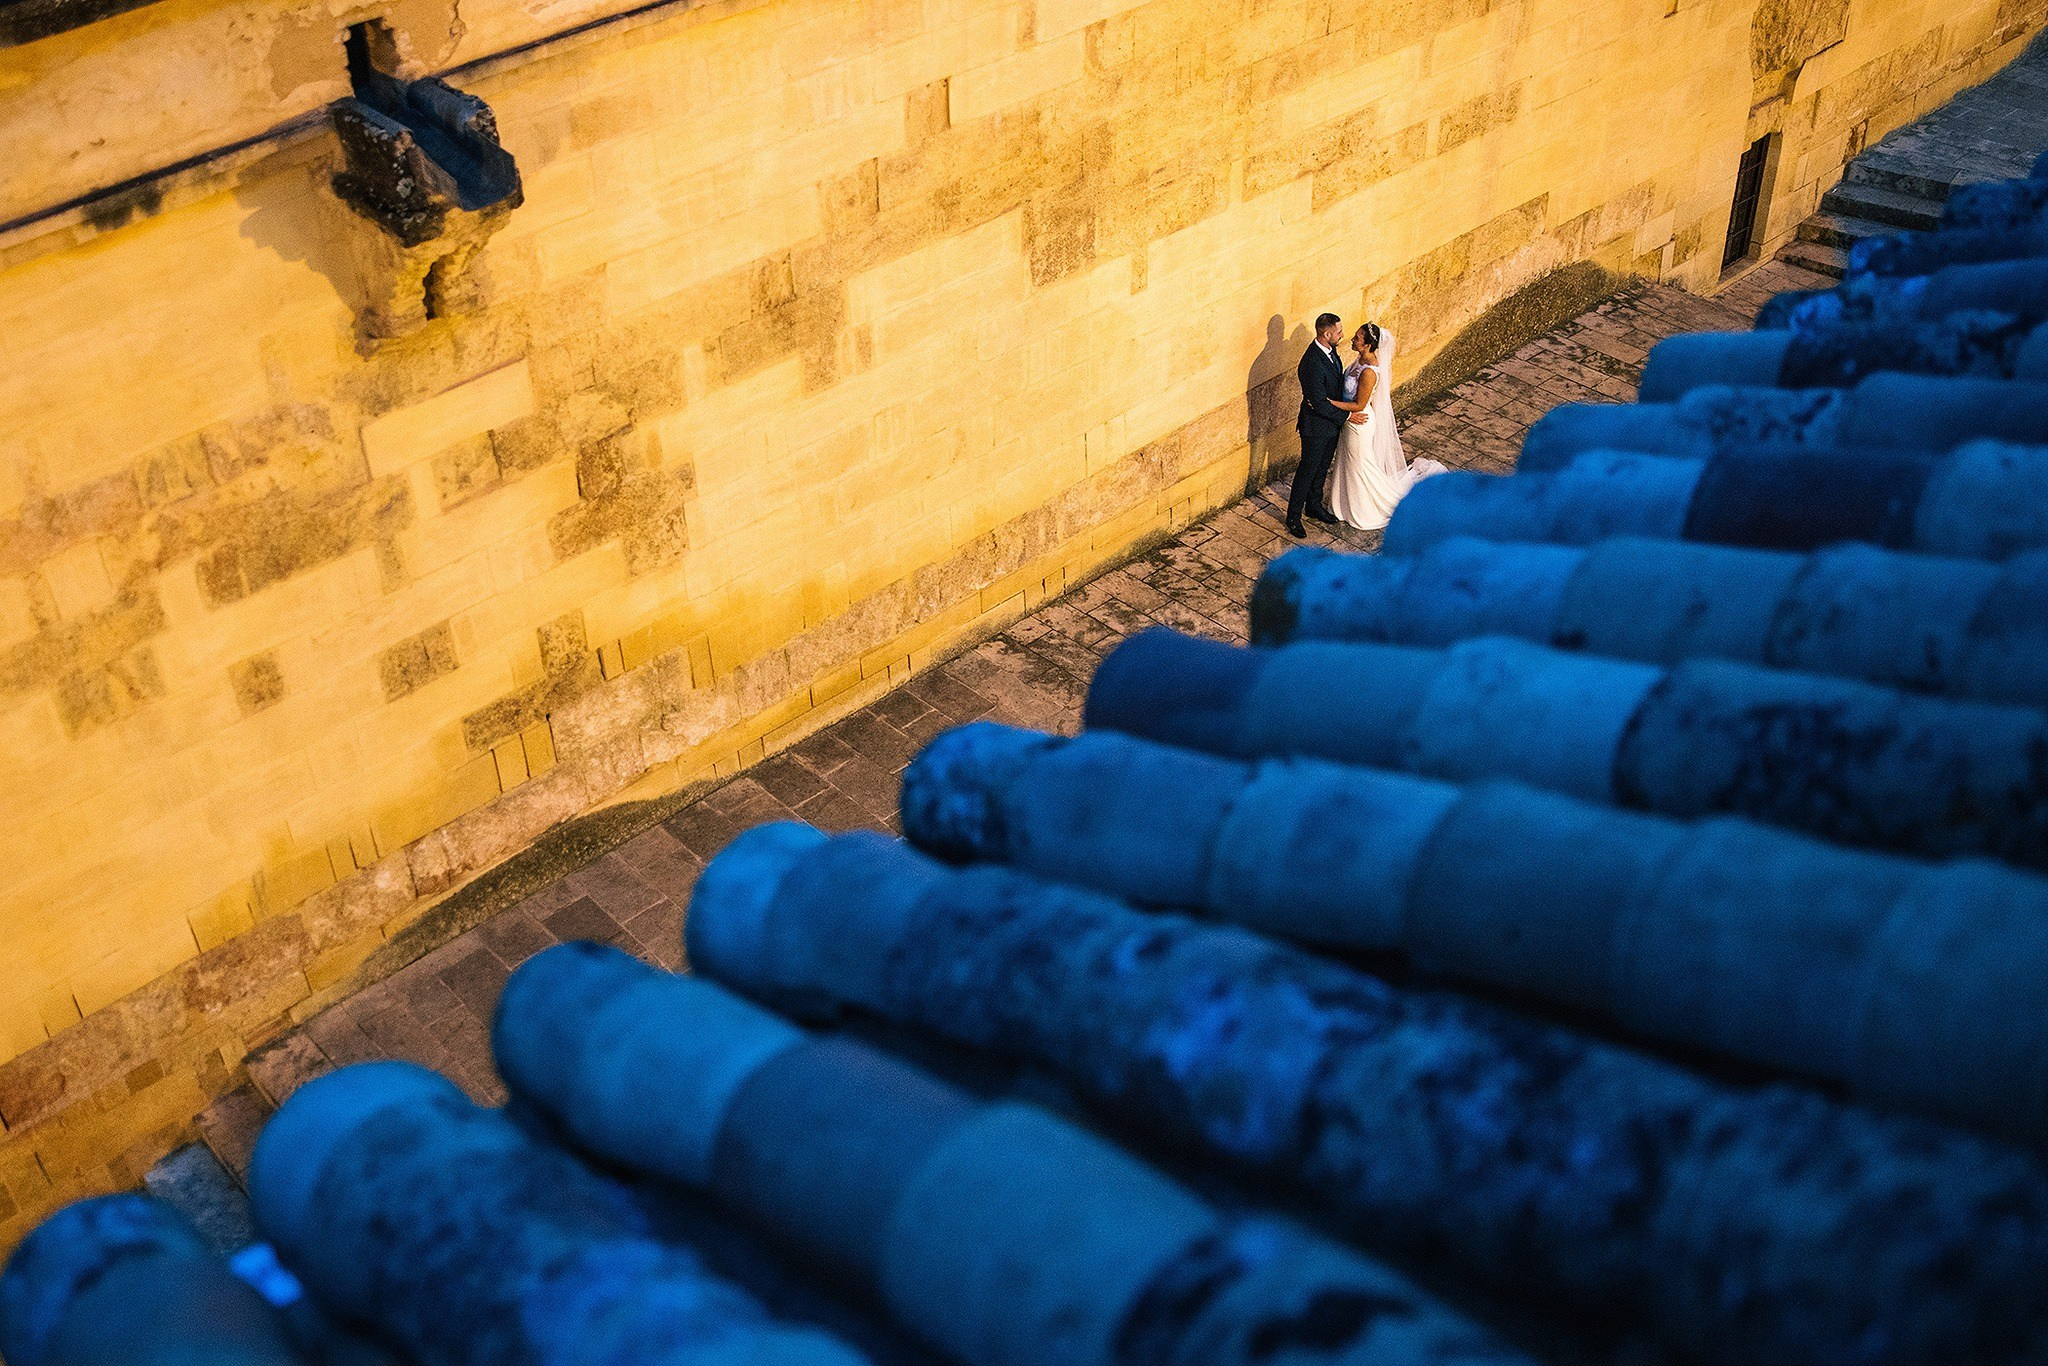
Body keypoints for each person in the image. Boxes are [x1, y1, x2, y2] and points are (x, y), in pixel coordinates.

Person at [1325, 322, 1447, 531]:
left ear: (1368, 345)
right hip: (1350, 420)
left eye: (1357, 338)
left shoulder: (1369, 371)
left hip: (1358, 422)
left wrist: (1326, 402)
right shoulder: (1360, 360)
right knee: (1348, 463)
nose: (1352, 340)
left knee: (1360, 465)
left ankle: (1366, 508)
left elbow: (1360, 404)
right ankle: (1343, 506)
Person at [1287, 313, 1350, 537]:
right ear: (1327, 334)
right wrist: (1347, 417)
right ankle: (1293, 517)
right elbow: (1319, 403)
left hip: (1330, 425)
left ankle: (1313, 506)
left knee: (1322, 466)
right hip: (1315, 427)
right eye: (1339, 332)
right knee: (1307, 469)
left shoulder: (1331, 352)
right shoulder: (1312, 362)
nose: (1342, 335)